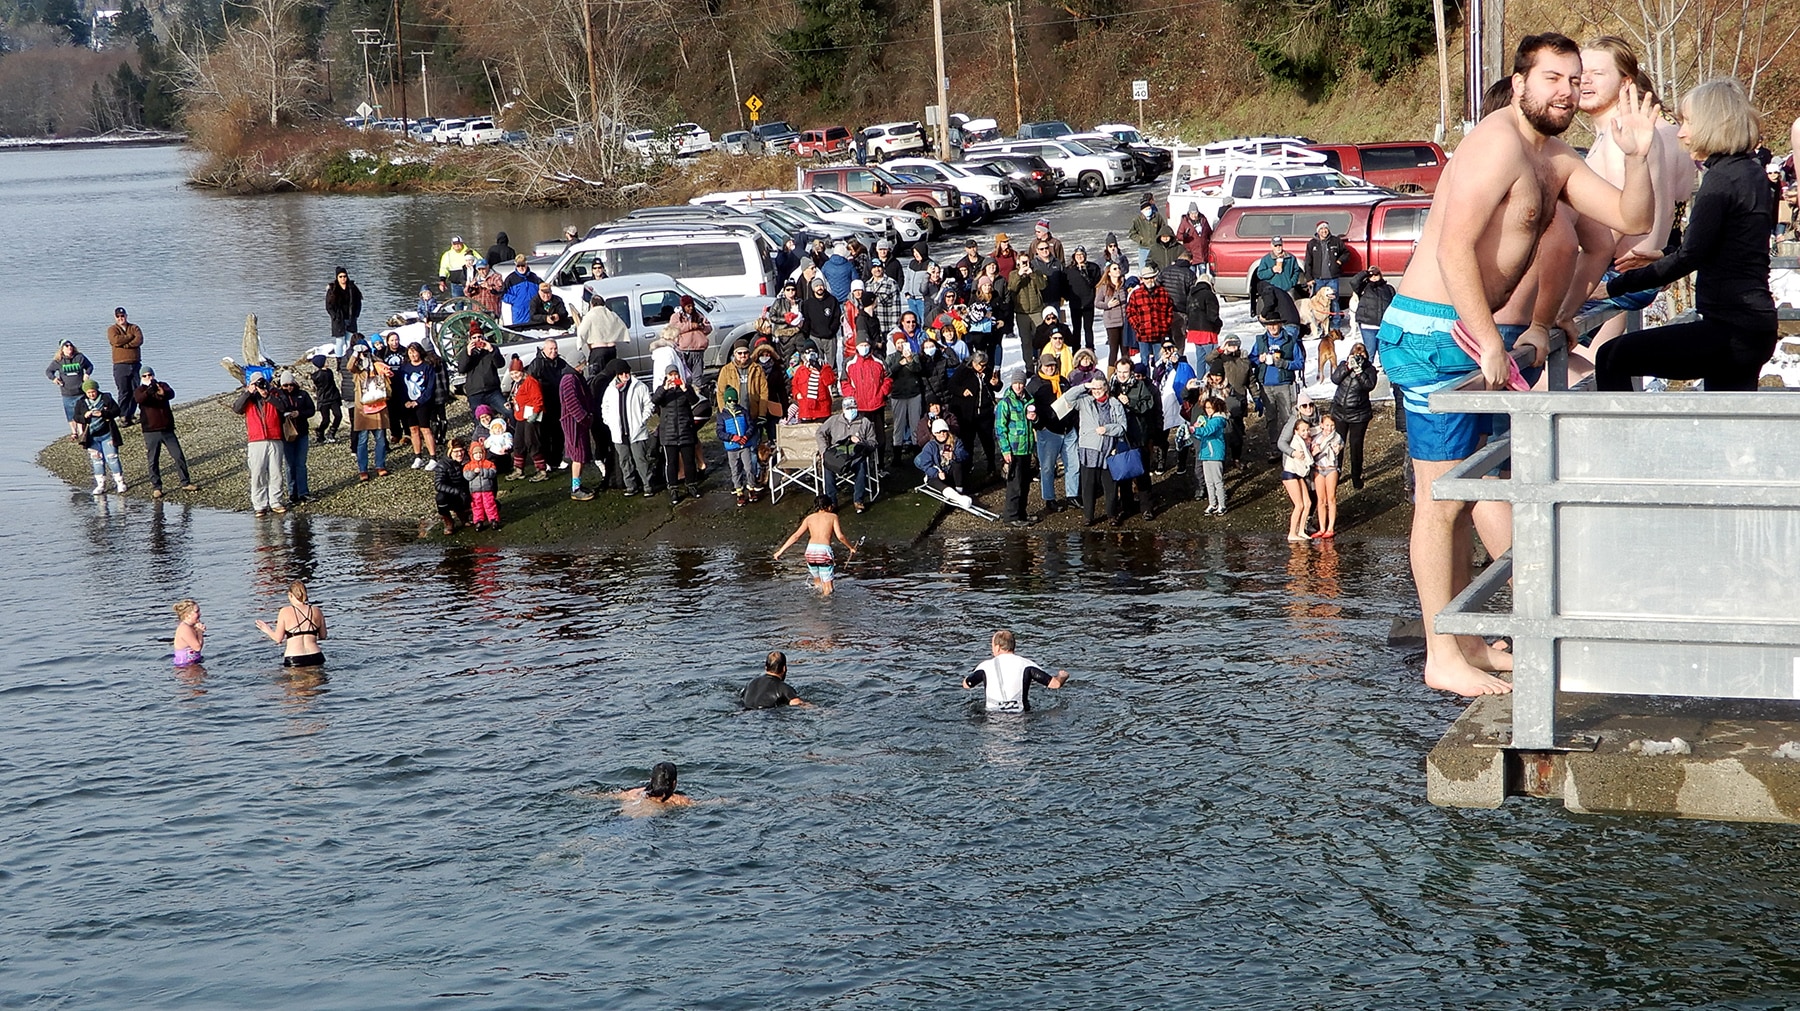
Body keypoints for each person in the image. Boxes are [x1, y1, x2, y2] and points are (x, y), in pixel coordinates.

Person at [1378, 32, 1657, 696]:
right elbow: (1452, 248)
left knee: (1465, 495)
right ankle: (1441, 657)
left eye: (1572, 81)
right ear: (1522, 79)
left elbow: (1628, 217)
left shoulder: (1554, 157)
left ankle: (1468, 641)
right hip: (1432, 333)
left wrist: (1640, 158)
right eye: (1550, 78)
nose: (1563, 91)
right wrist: (1493, 337)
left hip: (1468, 338)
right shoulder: (1496, 142)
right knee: (1439, 504)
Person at [1594, 78, 1778, 392]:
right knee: (1725, 423)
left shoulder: (1720, 180)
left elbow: (1692, 256)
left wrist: (1612, 288)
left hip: (1730, 329)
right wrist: (1666, 255)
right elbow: (1724, 246)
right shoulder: (1751, 173)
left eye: (1688, 122)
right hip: (1754, 327)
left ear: (1713, 124)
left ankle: (1625, 441)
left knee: (1612, 356)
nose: (1681, 132)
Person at [1057, 375, 1129, 527]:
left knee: (1110, 486)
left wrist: (1107, 429)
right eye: (1094, 389)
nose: (1096, 391)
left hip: (1110, 450)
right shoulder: (1084, 401)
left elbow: (1122, 427)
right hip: (1089, 449)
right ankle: (1088, 516)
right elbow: (1068, 397)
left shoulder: (1115, 403)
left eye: (1099, 388)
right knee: (1088, 485)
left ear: (1106, 388)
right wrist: (1085, 386)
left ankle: (1112, 515)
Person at [1025, 353, 1080, 515]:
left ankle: (1072, 495)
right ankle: (1049, 499)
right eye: (1047, 366)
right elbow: (1028, 407)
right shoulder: (1034, 385)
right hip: (1048, 432)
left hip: (1068, 429)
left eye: (1053, 366)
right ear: (1040, 367)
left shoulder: (1063, 381)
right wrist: (1039, 425)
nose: (1050, 368)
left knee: (1073, 464)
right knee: (1048, 467)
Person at [963, 629, 1068, 713]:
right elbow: (1055, 684)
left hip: (992, 716)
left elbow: (967, 684)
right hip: (1020, 716)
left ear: (998, 648)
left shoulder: (985, 666)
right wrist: (1062, 675)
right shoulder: (1026, 664)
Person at [133, 366, 197, 498]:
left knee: (178, 456)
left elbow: (171, 394)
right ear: (141, 378)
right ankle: (157, 487)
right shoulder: (139, 390)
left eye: (150, 375)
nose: (148, 377)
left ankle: (185, 482)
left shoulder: (162, 385)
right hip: (150, 430)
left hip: (167, 428)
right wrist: (149, 391)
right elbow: (140, 400)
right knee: (153, 460)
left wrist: (160, 392)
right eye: (144, 376)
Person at [774, 495, 858, 595]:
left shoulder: (809, 518)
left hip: (810, 551)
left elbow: (796, 536)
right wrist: (851, 548)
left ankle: (816, 605)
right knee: (829, 589)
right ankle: (825, 608)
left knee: (818, 584)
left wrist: (780, 551)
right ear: (829, 506)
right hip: (823, 551)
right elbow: (840, 536)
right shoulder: (833, 517)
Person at [232, 372, 287, 515]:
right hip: (256, 441)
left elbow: (284, 407)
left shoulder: (274, 393)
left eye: (261, 382)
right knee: (257, 473)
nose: (260, 385)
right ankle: (260, 504)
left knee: (276, 473)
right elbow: (237, 409)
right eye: (256, 383)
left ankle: (276, 501)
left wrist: (267, 396)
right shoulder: (248, 398)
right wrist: (247, 393)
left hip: (275, 438)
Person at [1251, 313, 1302, 463]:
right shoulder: (1260, 341)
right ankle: (1274, 448)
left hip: (1284, 384)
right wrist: (1258, 359)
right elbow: (1251, 360)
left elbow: (1299, 362)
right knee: (1271, 418)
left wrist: (1284, 364)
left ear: (1281, 324)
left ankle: (1290, 449)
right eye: (1269, 324)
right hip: (1265, 385)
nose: (1272, 327)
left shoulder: (1290, 341)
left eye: (1275, 324)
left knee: (1288, 417)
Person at [601, 362, 657, 496]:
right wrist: (609, 421)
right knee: (625, 461)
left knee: (641, 460)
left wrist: (642, 420)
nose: (625, 376)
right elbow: (605, 407)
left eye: (627, 372)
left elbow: (648, 404)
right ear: (617, 375)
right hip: (619, 432)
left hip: (636, 430)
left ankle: (647, 485)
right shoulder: (610, 389)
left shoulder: (639, 386)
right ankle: (630, 486)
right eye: (622, 374)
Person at [1329, 342, 1378, 489]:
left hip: (1358, 414)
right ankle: (1335, 473)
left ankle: (1356, 475)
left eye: (1361, 355)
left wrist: (1359, 371)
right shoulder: (1345, 364)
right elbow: (1335, 379)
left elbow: (1369, 385)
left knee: (1356, 446)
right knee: (1337, 444)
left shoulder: (1369, 370)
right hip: (1340, 412)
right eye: (1356, 354)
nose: (1358, 358)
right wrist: (1347, 367)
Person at [816, 396, 878, 513]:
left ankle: (858, 500)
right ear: (843, 409)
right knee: (827, 466)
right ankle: (832, 501)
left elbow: (873, 443)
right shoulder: (833, 420)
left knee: (861, 465)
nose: (851, 410)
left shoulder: (865, 422)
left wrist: (860, 441)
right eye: (848, 408)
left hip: (855, 456)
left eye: (853, 407)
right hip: (838, 454)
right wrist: (823, 450)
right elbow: (820, 432)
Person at [651, 366, 703, 504]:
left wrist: (686, 389)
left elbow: (694, 401)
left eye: (675, 374)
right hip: (669, 433)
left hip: (686, 430)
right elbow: (654, 401)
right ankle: (673, 490)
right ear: (666, 376)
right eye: (670, 375)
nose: (673, 377)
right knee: (671, 463)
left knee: (689, 461)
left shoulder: (685, 388)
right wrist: (664, 389)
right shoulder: (662, 390)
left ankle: (691, 486)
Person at [994, 366, 1035, 526]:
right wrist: (1005, 450)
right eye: (1016, 383)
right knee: (1015, 484)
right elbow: (1000, 429)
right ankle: (1011, 516)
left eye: (1021, 383)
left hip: (1026, 448)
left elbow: (1033, 424)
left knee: (1025, 483)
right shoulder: (1005, 403)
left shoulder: (1029, 400)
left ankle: (1022, 513)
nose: (1018, 386)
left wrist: (1035, 418)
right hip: (1013, 449)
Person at [71, 379, 126, 495]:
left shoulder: (106, 398)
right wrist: (85, 416)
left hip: (107, 434)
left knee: (112, 458)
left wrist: (103, 414)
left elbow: (117, 411)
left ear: (97, 390)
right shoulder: (81, 402)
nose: (91, 394)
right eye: (89, 392)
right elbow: (76, 417)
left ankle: (120, 483)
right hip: (91, 437)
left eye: (93, 392)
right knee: (97, 461)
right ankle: (101, 484)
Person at [255, 580, 326, 668]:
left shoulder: (285, 611)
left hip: (295, 657)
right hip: (316, 656)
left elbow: (278, 639)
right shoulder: (317, 611)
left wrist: (267, 629)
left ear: (290, 595)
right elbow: (323, 636)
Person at [272, 370, 315, 504]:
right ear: (281, 386)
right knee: (290, 465)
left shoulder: (303, 395)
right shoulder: (279, 397)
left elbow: (311, 410)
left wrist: (299, 413)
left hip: (302, 433)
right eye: (285, 385)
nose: (289, 388)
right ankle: (292, 493)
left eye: (290, 385)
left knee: (301, 464)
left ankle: (303, 492)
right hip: (286, 435)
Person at [349, 344, 391, 481]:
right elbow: (350, 366)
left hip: (379, 407)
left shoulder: (378, 367)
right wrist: (356, 354)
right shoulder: (358, 372)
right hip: (363, 410)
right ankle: (363, 469)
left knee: (381, 439)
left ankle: (380, 465)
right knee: (362, 440)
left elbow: (388, 376)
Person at [396, 343, 440, 470]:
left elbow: (430, 387)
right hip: (408, 403)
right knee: (413, 430)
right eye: (410, 353)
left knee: (425, 429)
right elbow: (401, 387)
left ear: (419, 352)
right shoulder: (404, 368)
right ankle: (418, 456)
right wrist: (405, 401)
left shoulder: (427, 367)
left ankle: (433, 458)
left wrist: (419, 401)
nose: (413, 355)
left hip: (423, 404)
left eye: (415, 352)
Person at [886, 334, 925, 470]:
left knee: (915, 424)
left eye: (903, 342)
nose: (901, 345)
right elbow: (888, 373)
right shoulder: (891, 357)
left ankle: (917, 454)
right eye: (898, 343)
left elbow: (918, 369)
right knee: (899, 425)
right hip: (897, 395)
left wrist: (909, 360)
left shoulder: (913, 356)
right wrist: (899, 364)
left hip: (914, 394)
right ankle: (897, 456)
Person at [717, 386, 760, 505]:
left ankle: (751, 488)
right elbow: (720, 432)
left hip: (745, 445)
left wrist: (746, 436)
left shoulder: (743, 412)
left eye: (734, 400)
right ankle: (739, 492)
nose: (732, 403)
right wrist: (732, 437)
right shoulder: (722, 415)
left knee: (749, 468)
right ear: (726, 401)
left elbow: (751, 425)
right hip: (732, 448)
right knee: (735, 470)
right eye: (729, 401)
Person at [1124, 271, 1174, 368]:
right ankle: (1145, 381)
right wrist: (1137, 326)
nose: (1150, 280)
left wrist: (1166, 325)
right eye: (1146, 278)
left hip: (1159, 333)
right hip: (1143, 334)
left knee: (1160, 361)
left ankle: (1158, 382)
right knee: (1144, 361)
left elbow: (1170, 310)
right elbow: (1130, 313)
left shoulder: (1163, 292)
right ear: (1142, 279)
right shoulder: (1136, 294)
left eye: (1152, 277)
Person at [560, 367, 596, 500]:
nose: (585, 366)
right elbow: (571, 403)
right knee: (578, 456)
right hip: (574, 424)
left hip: (578, 424)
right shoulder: (569, 380)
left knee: (580, 456)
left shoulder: (573, 378)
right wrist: (584, 418)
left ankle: (578, 485)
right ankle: (575, 489)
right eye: (583, 363)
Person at [106, 306, 144, 426]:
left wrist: (126, 345)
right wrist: (129, 337)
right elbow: (115, 341)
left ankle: (131, 414)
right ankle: (123, 416)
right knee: (123, 391)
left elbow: (139, 340)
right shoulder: (112, 329)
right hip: (120, 365)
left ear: (126, 316)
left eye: (122, 316)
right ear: (115, 317)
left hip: (135, 363)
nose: (121, 318)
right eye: (118, 316)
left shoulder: (134, 327)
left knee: (135, 390)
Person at [1280, 417, 1315, 542]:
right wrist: (1314, 451)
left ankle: (1301, 530)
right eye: (1303, 430)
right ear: (1296, 431)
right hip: (1290, 474)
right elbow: (1309, 460)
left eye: (1307, 430)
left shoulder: (1304, 440)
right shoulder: (1297, 441)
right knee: (1299, 505)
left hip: (1298, 474)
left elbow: (1315, 431)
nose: (1306, 433)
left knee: (1308, 503)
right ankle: (1292, 533)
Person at [916, 418, 969, 496]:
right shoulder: (930, 446)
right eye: (938, 432)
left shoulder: (956, 441)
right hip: (939, 475)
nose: (942, 434)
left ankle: (959, 490)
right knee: (932, 480)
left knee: (957, 463)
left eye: (944, 431)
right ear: (934, 433)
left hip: (952, 474)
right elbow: (925, 465)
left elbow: (965, 455)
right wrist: (937, 473)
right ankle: (954, 495)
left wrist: (954, 455)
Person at [608, 763, 694, 812]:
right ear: (674, 783)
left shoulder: (634, 793)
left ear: (651, 780)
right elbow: (703, 804)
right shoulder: (679, 800)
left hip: (622, 817)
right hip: (643, 823)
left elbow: (602, 796)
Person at [1193, 396, 1228, 514]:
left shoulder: (1218, 420)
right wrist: (1196, 430)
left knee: (1217, 481)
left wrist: (1194, 430)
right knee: (1208, 481)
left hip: (1215, 454)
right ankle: (1212, 503)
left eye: (1210, 408)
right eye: (1206, 407)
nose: (1207, 410)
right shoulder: (1207, 420)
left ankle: (1222, 504)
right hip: (1206, 453)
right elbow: (1202, 435)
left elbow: (1208, 430)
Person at [1311, 414, 1343, 538]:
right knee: (1321, 500)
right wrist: (1315, 450)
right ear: (1322, 425)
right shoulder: (1316, 438)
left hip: (1331, 469)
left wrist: (1337, 448)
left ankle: (1330, 528)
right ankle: (1322, 527)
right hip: (1318, 469)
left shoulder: (1337, 437)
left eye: (1332, 425)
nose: (1329, 428)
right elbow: (1312, 453)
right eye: (1327, 425)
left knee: (1331, 498)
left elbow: (1338, 447)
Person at [47, 340, 95, 423]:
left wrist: (87, 374)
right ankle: (74, 432)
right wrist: (54, 379)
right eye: (66, 346)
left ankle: (82, 430)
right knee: (70, 414)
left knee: (82, 412)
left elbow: (90, 366)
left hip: (80, 390)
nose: (69, 347)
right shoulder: (58, 360)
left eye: (71, 345)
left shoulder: (80, 357)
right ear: (62, 349)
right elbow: (48, 371)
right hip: (67, 391)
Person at [742, 651, 809, 708]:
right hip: (766, 715)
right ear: (784, 669)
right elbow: (797, 703)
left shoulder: (751, 683)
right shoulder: (783, 688)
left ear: (766, 668)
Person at [1304, 220, 1350, 304]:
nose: (1324, 230)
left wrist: (1339, 261)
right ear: (1318, 231)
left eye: (1326, 228)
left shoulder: (1336, 241)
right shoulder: (1312, 243)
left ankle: (1336, 317)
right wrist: (1309, 278)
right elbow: (1308, 262)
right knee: (1319, 301)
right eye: (1321, 229)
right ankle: (1320, 317)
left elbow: (1346, 253)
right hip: (1318, 279)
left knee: (1334, 300)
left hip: (1332, 278)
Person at [1349, 267, 1396, 349]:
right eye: (1371, 275)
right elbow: (1353, 282)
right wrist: (1366, 273)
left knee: (1384, 354)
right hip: (1367, 326)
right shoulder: (1363, 287)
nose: (1374, 277)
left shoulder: (1389, 288)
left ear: (1380, 275)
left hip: (1383, 326)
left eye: (1376, 274)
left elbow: (1394, 306)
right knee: (1370, 353)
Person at [1096, 262, 1130, 367]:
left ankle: (1128, 371)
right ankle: (1110, 374)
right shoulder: (1104, 287)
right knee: (1113, 349)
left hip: (1124, 321)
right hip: (1111, 322)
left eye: (1118, 268)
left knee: (1125, 349)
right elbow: (1097, 303)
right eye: (1114, 269)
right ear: (1109, 273)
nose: (1118, 270)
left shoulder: (1124, 284)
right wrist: (1108, 305)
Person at [437, 437, 472, 533]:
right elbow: (438, 484)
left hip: (467, 490)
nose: (460, 454)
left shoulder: (469, 460)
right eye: (456, 451)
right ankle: (449, 522)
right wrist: (456, 491)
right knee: (440, 498)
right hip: (451, 492)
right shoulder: (443, 464)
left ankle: (464, 516)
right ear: (450, 452)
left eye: (461, 451)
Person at [465, 440, 502, 529]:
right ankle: (478, 521)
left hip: (487, 489)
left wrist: (482, 471)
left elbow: (493, 472)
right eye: (476, 453)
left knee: (490, 504)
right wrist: (474, 472)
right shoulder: (468, 466)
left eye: (480, 453)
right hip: (475, 491)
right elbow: (467, 476)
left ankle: (494, 520)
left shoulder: (489, 463)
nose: (478, 455)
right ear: (472, 455)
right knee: (477, 506)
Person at [325, 269, 362, 355]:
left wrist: (356, 315)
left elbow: (358, 302)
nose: (343, 279)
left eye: (344, 276)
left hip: (350, 318)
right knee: (340, 341)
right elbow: (328, 306)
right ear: (337, 278)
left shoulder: (352, 288)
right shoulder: (332, 289)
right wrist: (334, 316)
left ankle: (349, 360)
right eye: (340, 277)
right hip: (338, 320)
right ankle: (339, 361)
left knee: (350, 341)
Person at [309, 354, 343, 444]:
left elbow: (333, 385)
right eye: (325, 361)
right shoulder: (318, 376)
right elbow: (316, 384)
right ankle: (320, 432)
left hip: (333, 397)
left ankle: (332, 432)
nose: (327, 361)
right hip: (324, 399)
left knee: (338, 415)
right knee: (326, 419)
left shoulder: (329, 372)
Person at [1127, 193, 1168, 268]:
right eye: (1146, 209)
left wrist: (1160, 239)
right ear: (1142, 211)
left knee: (1158, 267)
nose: (1148, 210)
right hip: (1144, 248)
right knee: (1144, 268)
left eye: (1149, 208)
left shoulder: (1157, 217)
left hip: (1156, 247)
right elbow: (1132, 233)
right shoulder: (1137, 220)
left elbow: (1163, 228)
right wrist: (1141, 239)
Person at [1175, 204, 1213, 273]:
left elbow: (1209, 233)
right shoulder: (1185, 222)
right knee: (1191, 274)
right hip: (1191, 254)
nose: (1194, 215)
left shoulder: (1203, 220)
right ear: (1189, 213)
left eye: (1195, 213)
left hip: (1202, 254)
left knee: (1203, 275)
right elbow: (1178, 236)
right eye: (1192, 213)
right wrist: (1184, 236)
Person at [171, 598, 205, 667]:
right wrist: (200, 631)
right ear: (187, 615)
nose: (200, 614)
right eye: (197, 612)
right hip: (185, 665)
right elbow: (197, 647)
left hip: (193, 662)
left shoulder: (191, 626)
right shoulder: (184, 628)